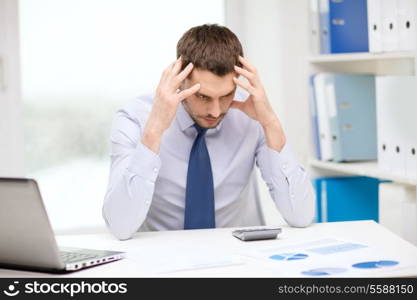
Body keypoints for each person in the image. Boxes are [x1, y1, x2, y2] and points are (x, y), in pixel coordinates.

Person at [103, 24, 315, 240]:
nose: (215, 111)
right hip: (162, 258)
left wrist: (270, 122)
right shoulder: (135, 117)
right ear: (179, 79)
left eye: (226, 95)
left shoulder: (251, 114)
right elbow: (120, 226)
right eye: (203, 96)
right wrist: (155, 128)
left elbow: (301, 216)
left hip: (239, 257)